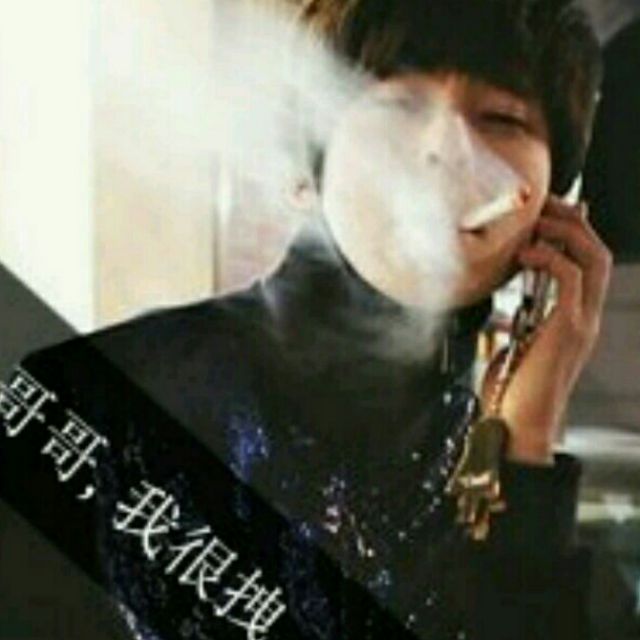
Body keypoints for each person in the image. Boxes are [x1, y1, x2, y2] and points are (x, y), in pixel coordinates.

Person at [10, 1, 613, 639]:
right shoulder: (92, 399)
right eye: (399, 106)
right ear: (306, 169)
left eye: (502, 119)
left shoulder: (492, 468)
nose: (448, 149)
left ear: (553, 210)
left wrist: (524, 446)